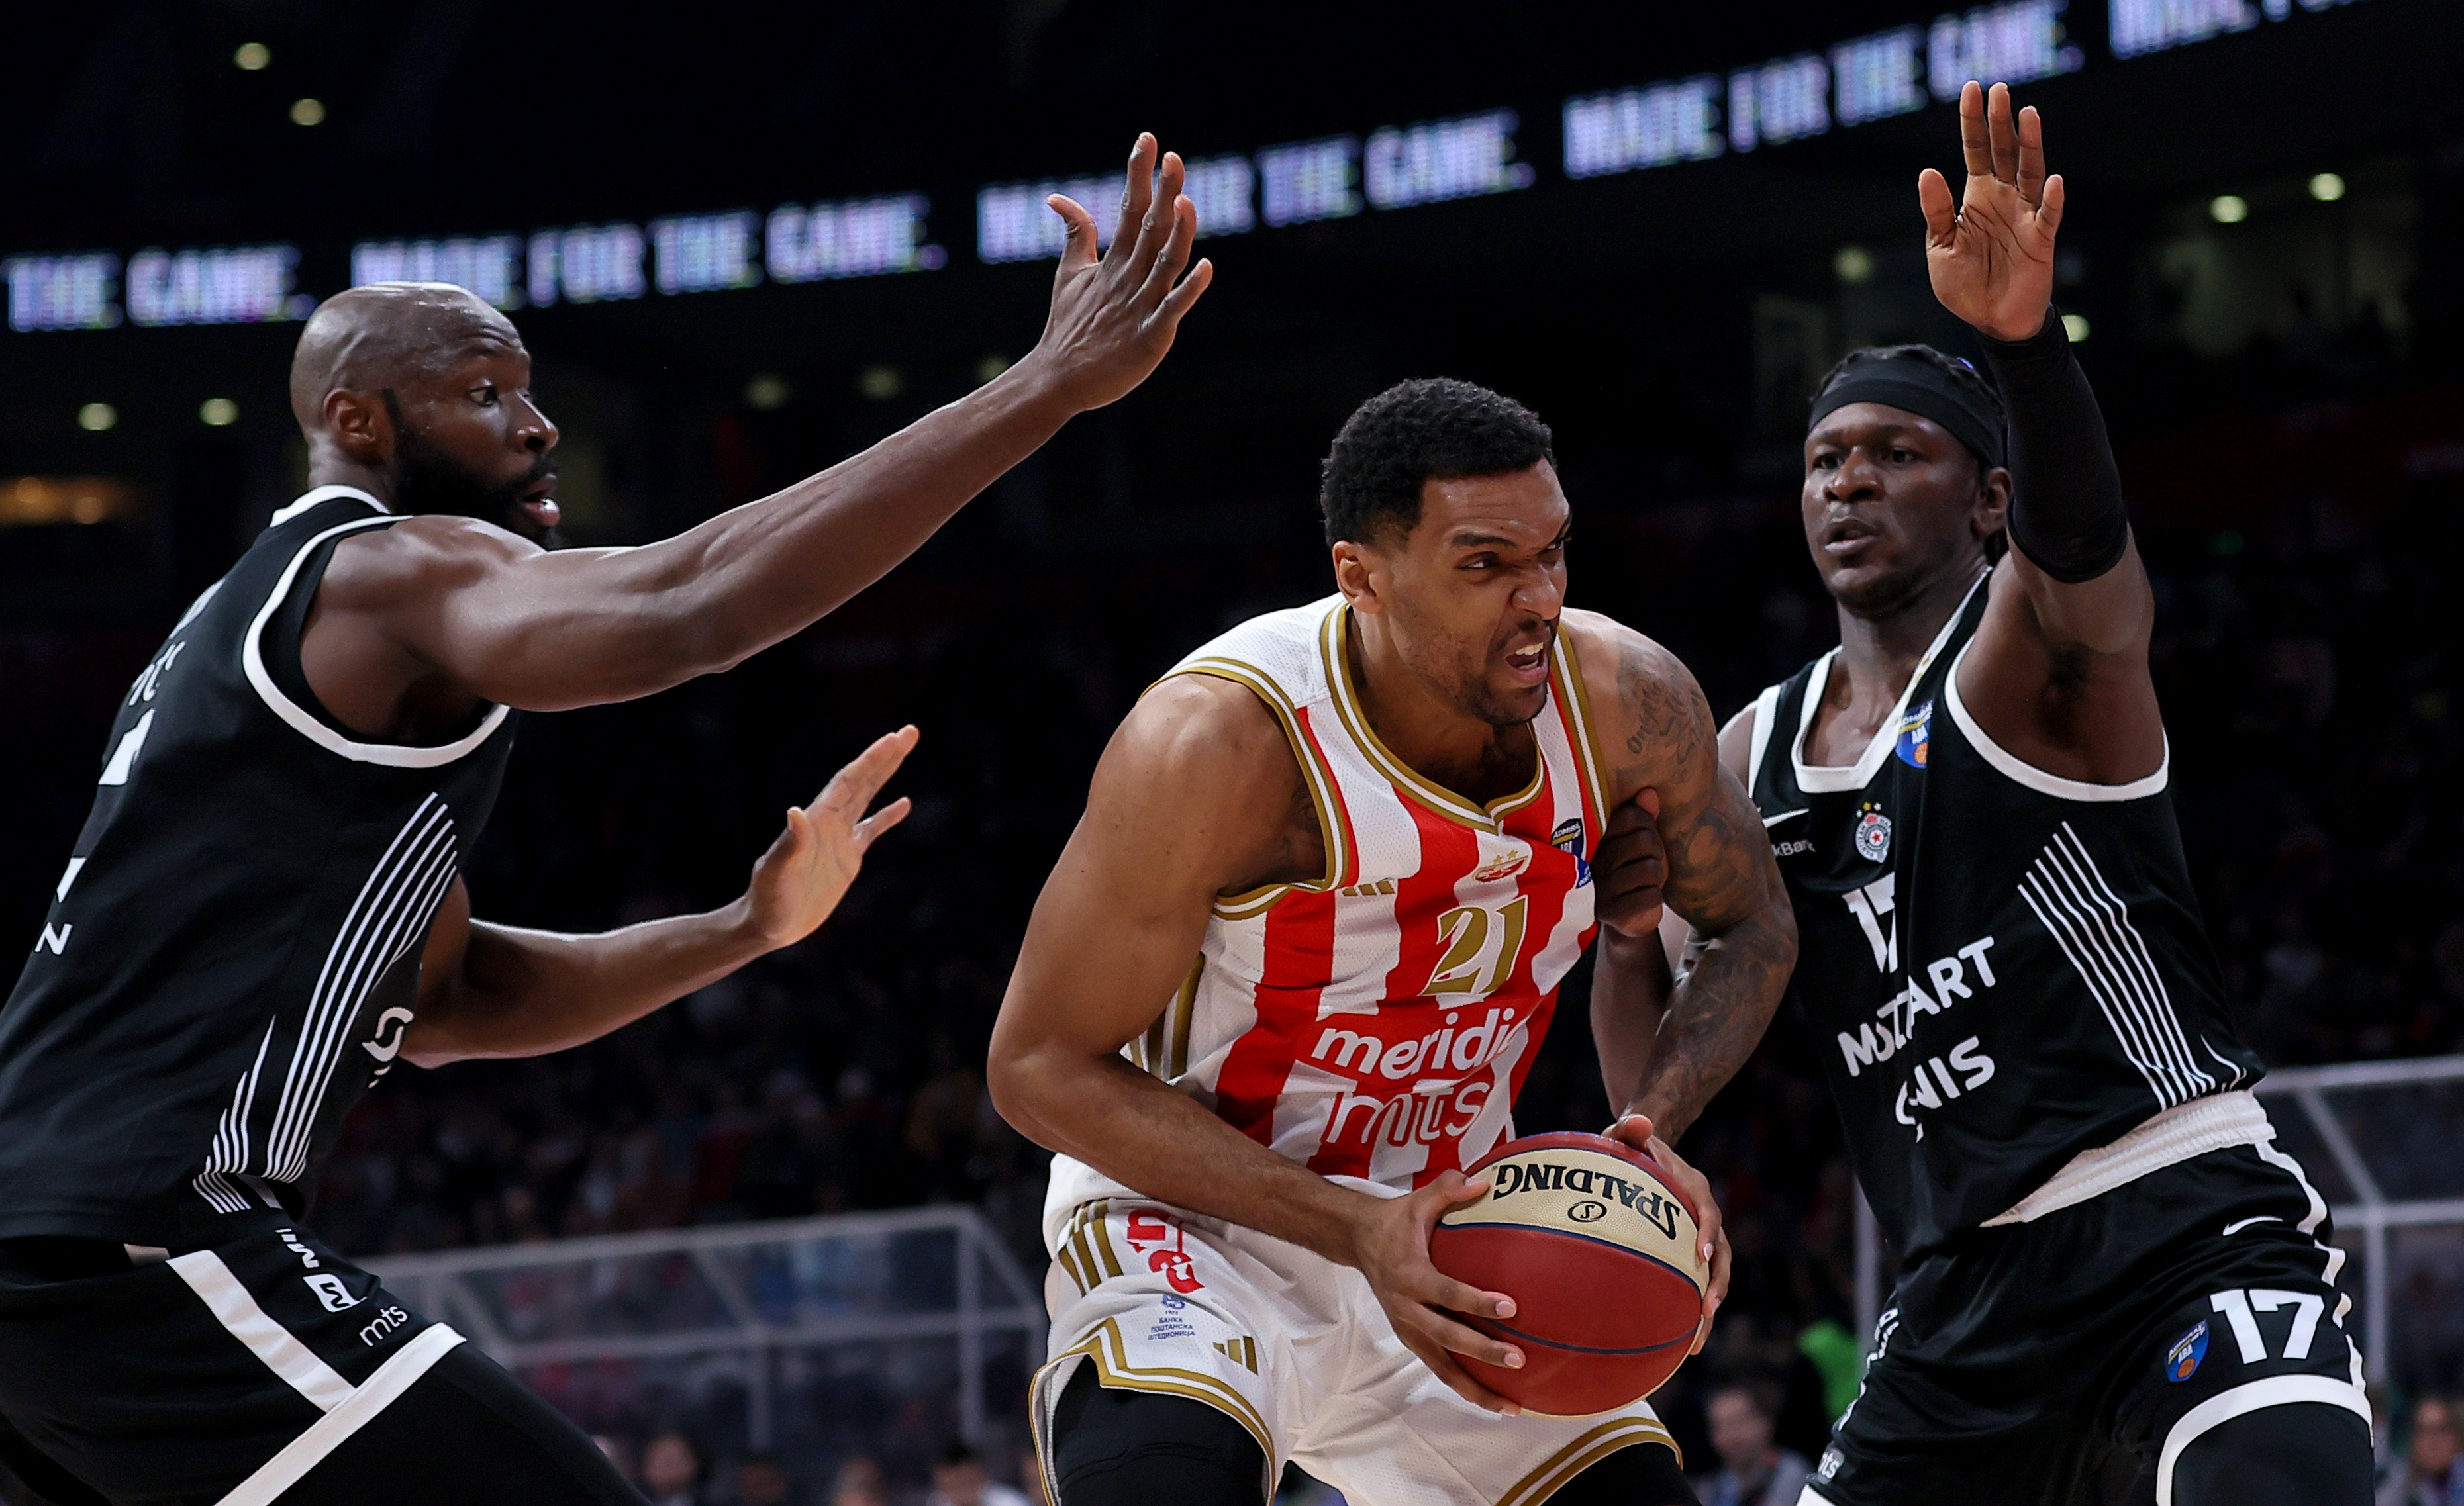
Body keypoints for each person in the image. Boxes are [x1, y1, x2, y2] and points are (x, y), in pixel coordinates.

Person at [0, 136, 1212, 1506]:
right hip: (139, 1235)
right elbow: (690, 606)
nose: (537, 425)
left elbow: (450, 999)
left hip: (54, 1259)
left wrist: (744, 928)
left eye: (528, 389)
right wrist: (1044, 389)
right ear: (358, 423)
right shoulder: (380, 572)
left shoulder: (260, 638)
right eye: (482, 393)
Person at [1650, 83, 2374, 1504]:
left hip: (2174, 1220)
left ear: (1988, 499)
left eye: (1895, 454)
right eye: (1824, 460)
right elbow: (1668, 1016)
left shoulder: (2029, 658)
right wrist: (1630, 976)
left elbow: (2082, 542)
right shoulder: (1744, 752)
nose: (1849, 484)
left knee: (2279, 1476)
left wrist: (2026, 347)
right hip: (1955, 1307)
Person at [988, 377, 1797, 1505]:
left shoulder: (1625, 704)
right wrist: (1353, 1227)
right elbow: (1034, 1066)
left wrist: (1648, 1133)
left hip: (1462, 1227)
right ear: (1360, 576)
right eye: (1486, 565)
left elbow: (1751, 918)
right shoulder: (1221, 743)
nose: (1539, 599)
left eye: (1552, 554)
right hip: (1199, 1226)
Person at [1697, 1382, 1809, 1506]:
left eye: (1739, 1422)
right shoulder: (1712, 1488)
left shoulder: (1791, 1473)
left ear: (1766, 1423)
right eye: (1720, 1427)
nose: (1731, 1436)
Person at [2381, 1396, 2464, 1506]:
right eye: (2424, 1431)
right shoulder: (2396, 1489)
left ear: (2456, 1436)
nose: (2434, 1441)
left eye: (2441, 1429)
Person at [928, 1441, 1035, 1506]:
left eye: (968, 1484)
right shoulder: (936, 1503)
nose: (963, 1494)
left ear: (982, 1477)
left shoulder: (1011, 1502)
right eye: (956, 1487)